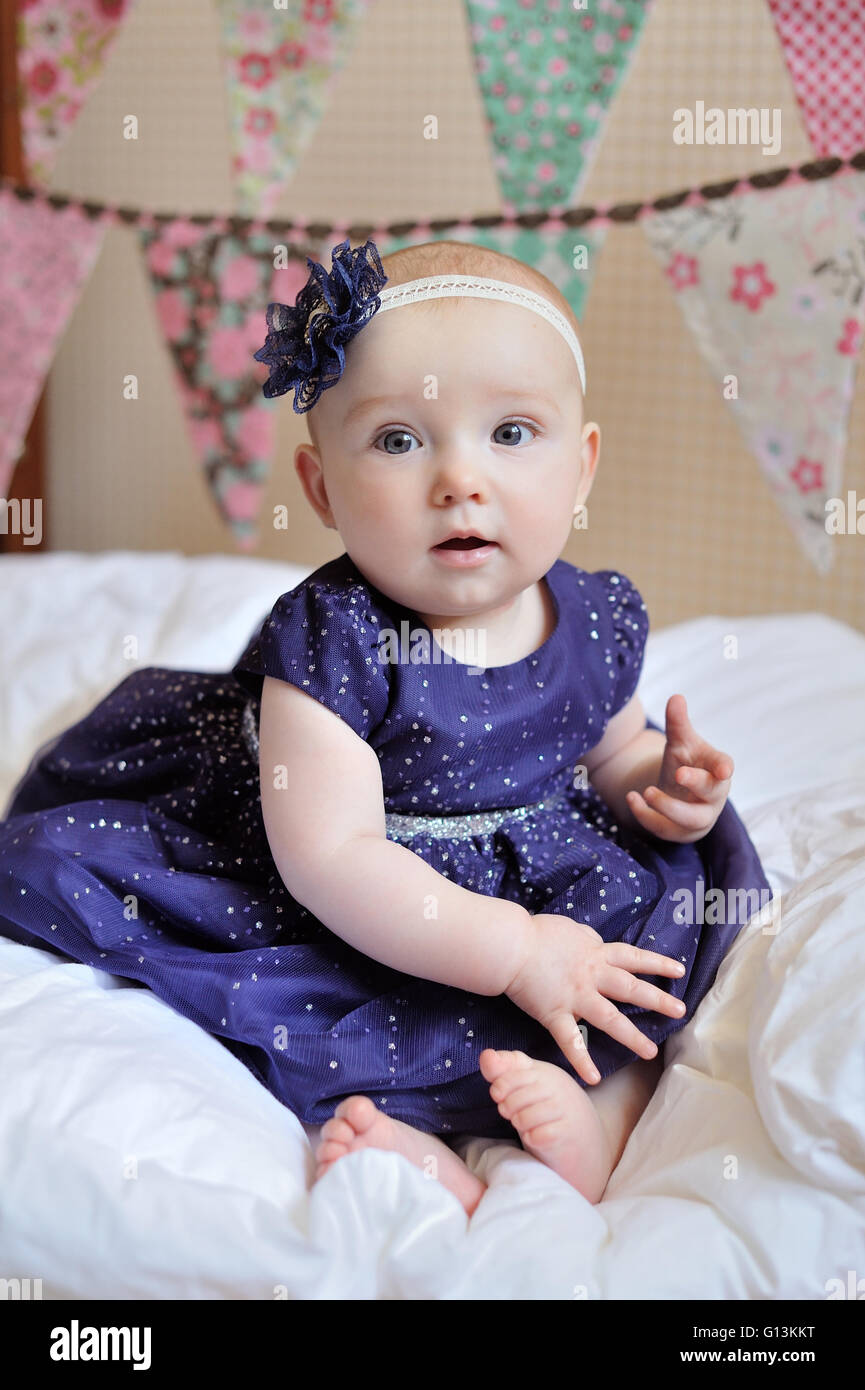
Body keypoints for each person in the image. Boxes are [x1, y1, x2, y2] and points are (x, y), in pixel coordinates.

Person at [0, 238, 772, 1215]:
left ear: (581, 470)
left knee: (651, 952)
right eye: (400, 440)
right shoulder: (332, 642)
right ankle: (410, 1145)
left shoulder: (593, 615)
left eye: (511, 432)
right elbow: (332, 857)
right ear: (322, 489)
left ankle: (606, 1113)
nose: (459, 478)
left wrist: (659, 783)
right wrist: (511, 948)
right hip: (365, 895)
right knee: (326, 1006)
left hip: (537, 871)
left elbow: (608, 747)